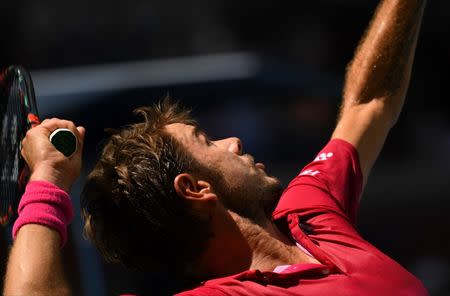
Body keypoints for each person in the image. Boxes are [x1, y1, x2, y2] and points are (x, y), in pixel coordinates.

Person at [4, 0, 429, 295]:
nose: (234, 141)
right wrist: (48, 180)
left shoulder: (307, 211)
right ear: (194, 188)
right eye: (206, 142)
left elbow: (369, 102)